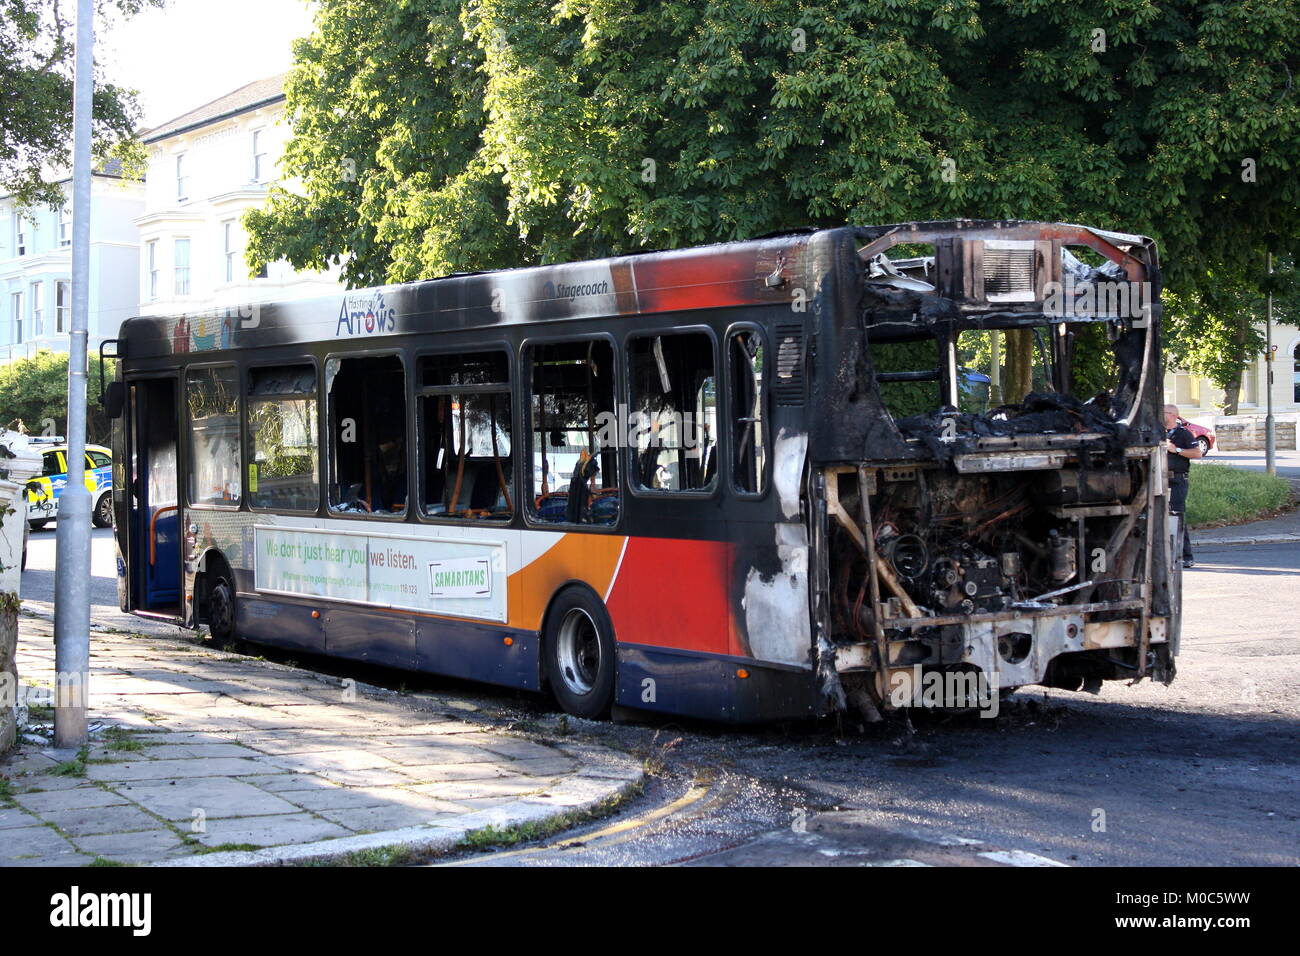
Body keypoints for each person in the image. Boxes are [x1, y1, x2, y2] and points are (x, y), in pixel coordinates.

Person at [1164, 404, 1202, 568]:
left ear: (1172, 415)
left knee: (1177, 515)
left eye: (1163, 412)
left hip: (1178, 480)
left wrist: (1176, 449)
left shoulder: (1183, 434)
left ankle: (1186, 556)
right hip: (1159, 480)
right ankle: (1165, 555)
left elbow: (1197, 453)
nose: (1160, 415)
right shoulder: (1158, 433)